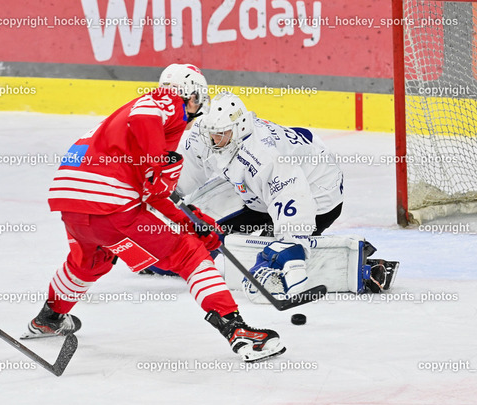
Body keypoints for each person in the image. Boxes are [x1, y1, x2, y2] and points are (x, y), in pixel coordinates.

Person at [25, 64, 286, 363]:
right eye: (198, 100)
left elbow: (153, 195)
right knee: (188, 254)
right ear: (191, 95)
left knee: (90, 260)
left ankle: (49, 318)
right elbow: (147, 123)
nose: (197, 109)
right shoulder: (165, 103)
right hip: (108, 202)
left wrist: (193, 221)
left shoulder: (118, 123)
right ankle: (237, 330)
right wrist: (158, 165)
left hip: (70, 199)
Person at [180, 91, 344, 296]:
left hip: (318, 192)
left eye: (221, 133)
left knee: (273, 254)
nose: (214, 139)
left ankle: (354, 269)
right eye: (212, 132)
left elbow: (292, 193)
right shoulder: (206, 133)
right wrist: (162, 193)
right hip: (260, 193)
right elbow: (187, 172)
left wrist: (292, 247)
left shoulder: (263, 155)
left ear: (240, 127)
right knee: (200, 232)